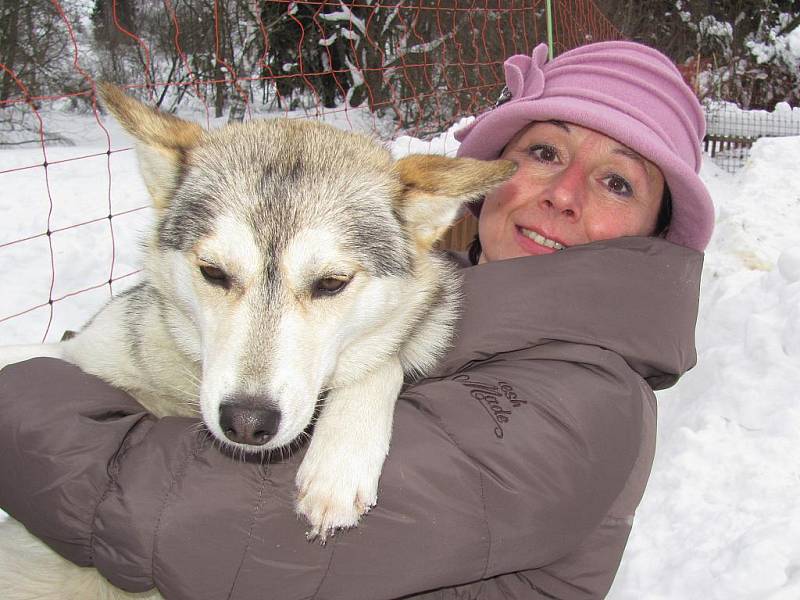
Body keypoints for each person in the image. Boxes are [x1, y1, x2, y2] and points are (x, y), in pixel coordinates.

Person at [0, 40, 713, 599]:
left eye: (617, 180)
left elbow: (216, 529)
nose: (563, 194)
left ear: (655, 227)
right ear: (493, 174)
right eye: (545, 152)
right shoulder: (462, 292)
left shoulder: (587, 409)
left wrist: (19, 393)